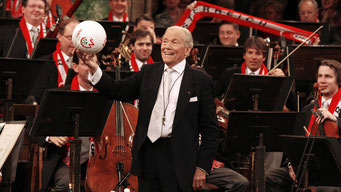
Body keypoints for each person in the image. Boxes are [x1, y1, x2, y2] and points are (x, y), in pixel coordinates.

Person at [82, 25, 220, 191]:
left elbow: (211, 131)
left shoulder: (200, 80)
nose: (167, 46)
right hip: (147, 154)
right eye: (165, 41)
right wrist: (93, 67)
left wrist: (202, 167)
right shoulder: (149, 72)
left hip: (179, 158)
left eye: (174, 42)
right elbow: (117, 90)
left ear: (187, 50)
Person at [265, 59, 341, 192]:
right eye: (320, 76)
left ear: (338, 81)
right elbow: (295, 142)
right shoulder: (308, 108)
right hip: (307, 166)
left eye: (328, 76)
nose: (322, 81)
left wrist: (335, 119)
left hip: (335, 169)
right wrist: (291, 166)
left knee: (327, 189)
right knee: (271, 177)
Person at [31, 51, 96, 192]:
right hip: (65, 161)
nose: (91, 67)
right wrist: (49, 137)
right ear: (75, 66)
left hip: (98, 160)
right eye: (85, 63)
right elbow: (33, 127)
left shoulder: (105, 95)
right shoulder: (58, 94)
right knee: (66, 184)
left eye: (94, 63)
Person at [214, 36, 285, 98]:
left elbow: (291, 105)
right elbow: (211, 95)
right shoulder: (229, 74)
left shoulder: (272, 76)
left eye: (258, 53)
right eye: (250, 53)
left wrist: (284, 82)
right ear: (244, 55)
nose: (254, 57)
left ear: (264, 57)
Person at [29, 18, 79, 103]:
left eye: (77, 38)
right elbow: (39, 96)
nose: (74, 42)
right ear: (59, 36)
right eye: (70, 37)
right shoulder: (44, 62)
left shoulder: (85, 62)